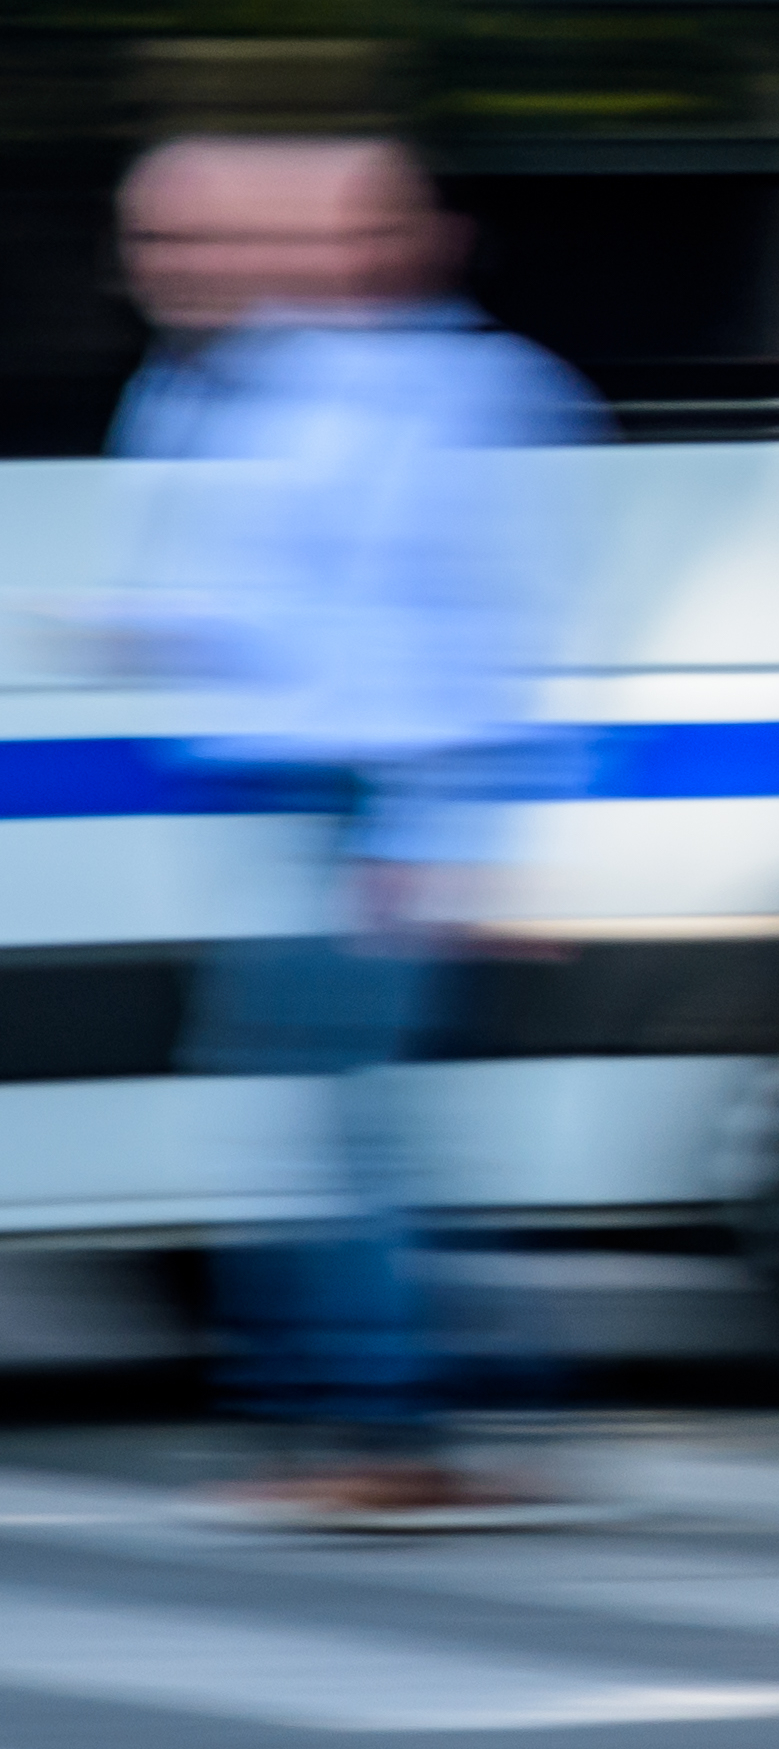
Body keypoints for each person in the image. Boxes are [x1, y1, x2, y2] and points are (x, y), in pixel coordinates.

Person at [101, 131, 595, 1529]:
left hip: (381, 796)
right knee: (337, 1126)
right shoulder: (231, 388)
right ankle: (439, 1409)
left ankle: (392, 1427)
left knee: (347, 1131)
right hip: (282, 792)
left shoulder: (463, 393)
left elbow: (492, 632)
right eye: (157, 244)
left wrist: (451, 836)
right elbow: (261, 605)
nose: (184, 270)